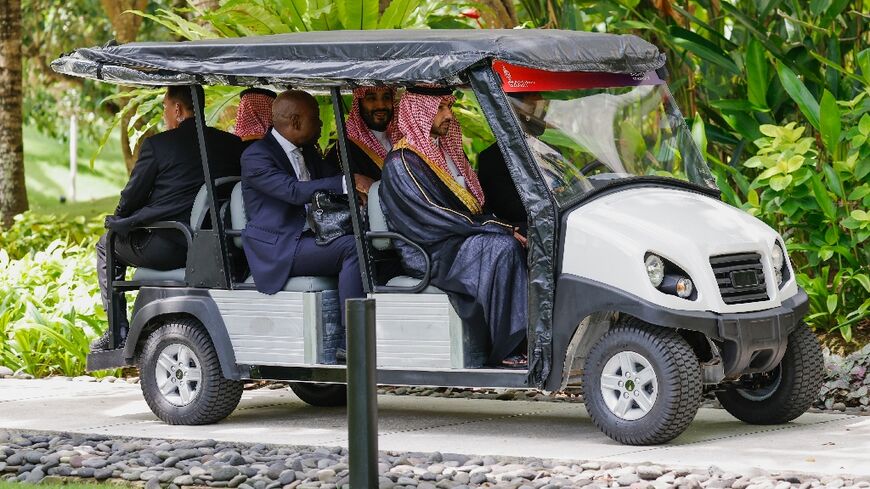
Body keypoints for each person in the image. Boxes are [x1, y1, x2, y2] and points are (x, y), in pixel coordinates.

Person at [378, 86, 529, 367]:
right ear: (419, 113)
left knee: (530, 234)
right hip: (432, 249)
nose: (449, 115)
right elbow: (434, 215)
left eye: (449, 107)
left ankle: (536, 334)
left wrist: (504, 224)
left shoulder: (443, 152)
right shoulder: (402, 162)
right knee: (503, 247)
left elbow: (474, 207)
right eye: (440, 108)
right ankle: (509, 347)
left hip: (459, 238)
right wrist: (497, 228)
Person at [93, 86, 244, 351]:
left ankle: (116, 332)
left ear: (177, 109)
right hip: (216, 244)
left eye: (165, 108)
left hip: (170, 245)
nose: (164, 115)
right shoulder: (230, 145)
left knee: (107, 244)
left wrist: (119, 220)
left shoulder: (158, 146)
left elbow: (132, 197)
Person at [240, 90, 373, 327]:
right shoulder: (256, 156)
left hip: (313, 236)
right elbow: (293, 191)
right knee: (354, 247)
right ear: (296, 121)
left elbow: (331, 177)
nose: (322, 124)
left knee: (369, 237)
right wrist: (347, 182)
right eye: (316, 118)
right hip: (281, 246)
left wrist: (357, 191)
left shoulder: (307, 151)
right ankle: (353, 339)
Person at [477, 93, 547, 232]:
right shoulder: (492, 158)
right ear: (513, 109)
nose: (540, 113)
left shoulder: (550, 151)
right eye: (533, 107)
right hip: (531, 228)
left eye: (543, 107)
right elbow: (509, 209)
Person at [326, 86, 401, 180]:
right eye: (371, 98)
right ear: (358, 103)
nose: (381, 105)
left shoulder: (401, 141)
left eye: (386, 97)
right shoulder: (344, 150)